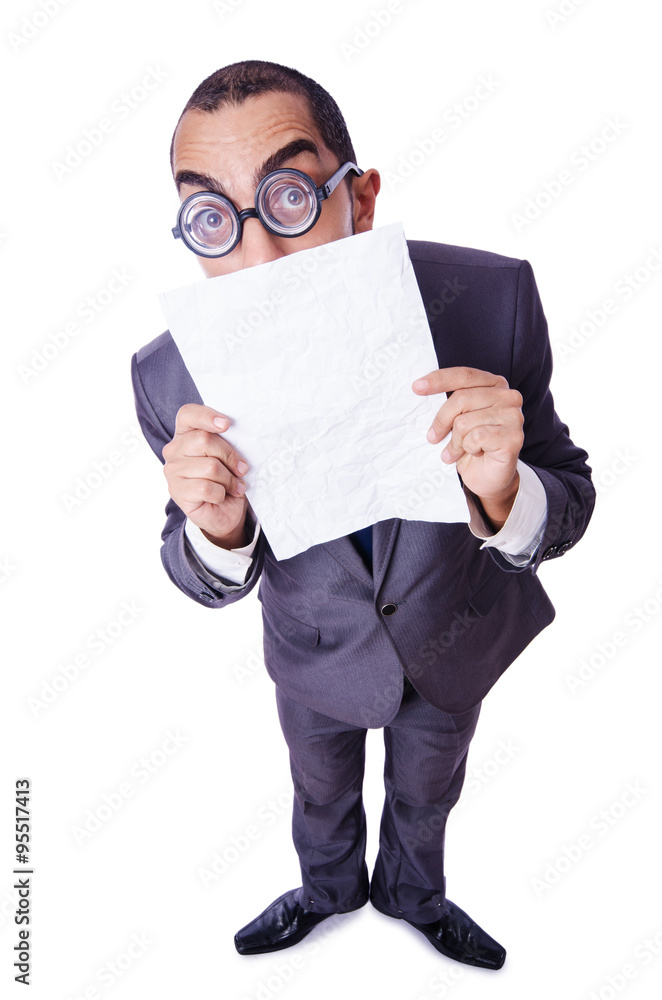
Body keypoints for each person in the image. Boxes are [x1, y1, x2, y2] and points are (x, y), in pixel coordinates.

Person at [131, 60, 595, 971]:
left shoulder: (490, 302)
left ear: (361, 197)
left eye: (290, 198)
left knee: (428, 794)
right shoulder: (169, 377)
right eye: (213, 218)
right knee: (318, 793)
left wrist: (504, 488)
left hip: (454, 642)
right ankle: (327, 892)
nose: (258, 258)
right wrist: (217, 528)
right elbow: (197, 572)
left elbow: (570, 498)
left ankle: (415, 897)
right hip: (313, 657)